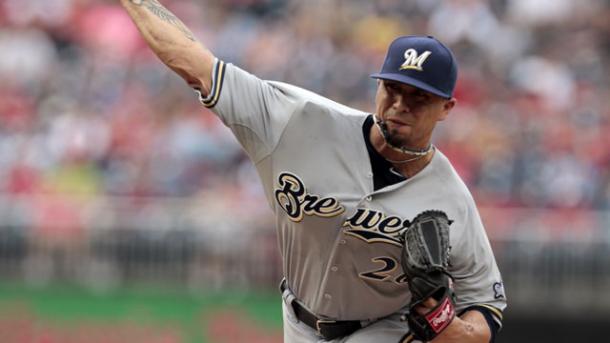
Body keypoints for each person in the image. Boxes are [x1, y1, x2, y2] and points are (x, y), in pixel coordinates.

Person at [119, 1, 506, 342]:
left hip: (386, 327)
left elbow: (485, 303)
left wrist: (456, 331)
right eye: (393, 89)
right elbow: (197, 64)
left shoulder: (450, 198)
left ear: (447, 108)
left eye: (419, 98)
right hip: (299, 322)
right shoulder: (297, 122)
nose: (400, 105)